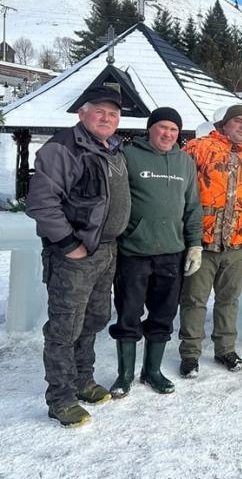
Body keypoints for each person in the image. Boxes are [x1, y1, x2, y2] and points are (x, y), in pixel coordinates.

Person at [26, 85, 131, 427]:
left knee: (94, 319)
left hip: (106, 251)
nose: (107, 118)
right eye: (99, 111)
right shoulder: (63, 148)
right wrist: (69, 244)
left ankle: (82, 380)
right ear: (81, 113)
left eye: (113, 113)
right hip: (75, 254)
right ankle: (60, 397)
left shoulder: (113, 149)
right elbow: (42, 202)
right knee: (64, 327)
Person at [178, 104, 242, 376]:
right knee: (194, 300)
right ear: (224, 124)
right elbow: (178, 187)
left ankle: (225, 349)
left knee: (228, 300)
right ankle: (190, 354)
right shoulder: (199, 148)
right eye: (237, 121)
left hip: (238, 243)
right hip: (202, 243)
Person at [108, 107, 203, 398]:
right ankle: (125, 375)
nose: (168, 134)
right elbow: (115, 200)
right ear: (150, 129)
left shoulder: (185, 162)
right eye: (162, 127)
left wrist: (195, 243)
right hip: (134, 252)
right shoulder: (128, 156)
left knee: (163, 316)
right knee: (129, 315)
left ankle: (152, 371)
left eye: (174, 130)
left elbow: (192, 206)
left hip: (172, 252)